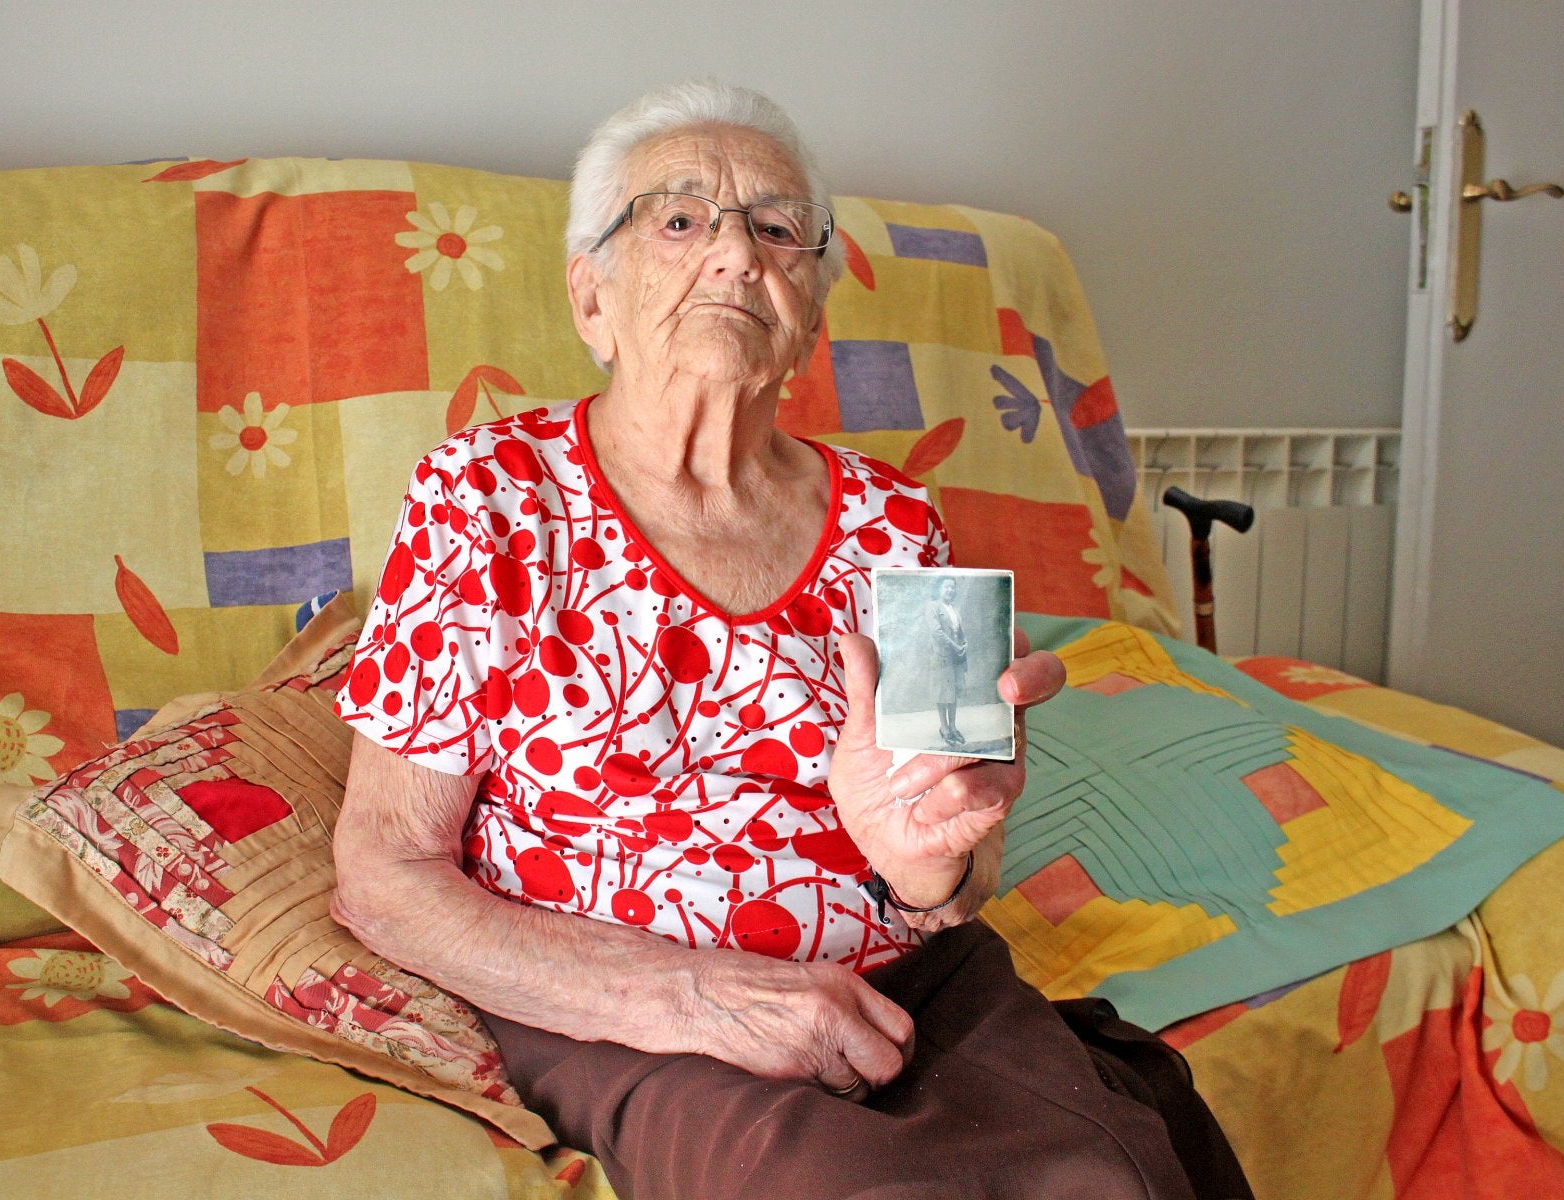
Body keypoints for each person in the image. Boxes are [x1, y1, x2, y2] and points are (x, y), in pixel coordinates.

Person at [330, 82, 1251, 1200]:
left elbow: (952, 879)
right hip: (628, 1011)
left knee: (1117, 1168)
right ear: (591, 299)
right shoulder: (488, 497)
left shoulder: (898, 524)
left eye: (776, 230)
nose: (734, 256)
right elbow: (382, 875)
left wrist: (925, 857)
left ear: (810, 306)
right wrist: (693, 997)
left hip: (915, 984)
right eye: (678, 220)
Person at [927, 575, 968, 747]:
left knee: (954, 692)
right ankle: (944, 728)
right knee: (942, 692)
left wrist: (965, 643)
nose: (950, 590)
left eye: (953, 587)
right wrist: (955, 646)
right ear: (939, 589)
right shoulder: (933, 607)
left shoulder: (954, 609)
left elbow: (960, 631)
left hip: (956, 657)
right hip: (942, 656)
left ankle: (953, 726)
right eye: (947, 587)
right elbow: (936, 632)